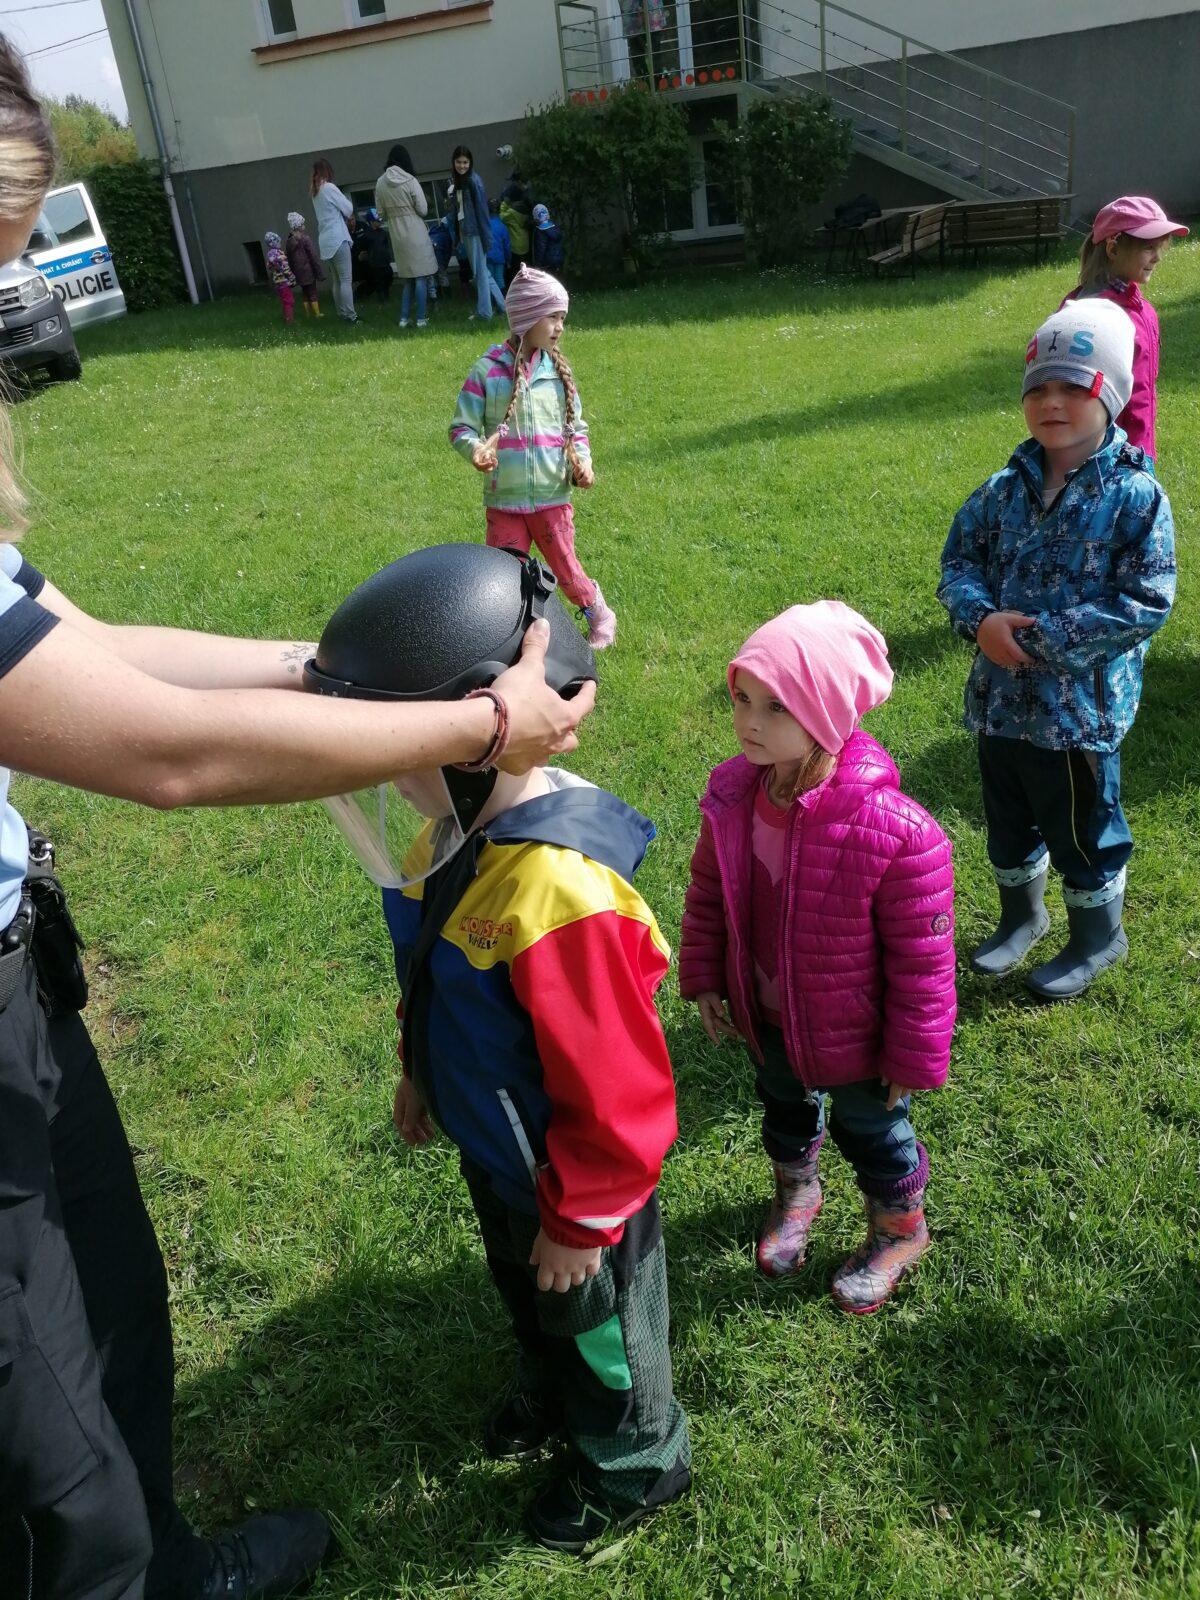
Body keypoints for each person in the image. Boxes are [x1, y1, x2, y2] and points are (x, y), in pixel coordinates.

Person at [0, 36, 596, 1599]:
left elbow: (88, 643)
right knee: (44, 1436)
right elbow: (159, 754)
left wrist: (336, 669)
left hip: (17, 972)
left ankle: (171, 1561)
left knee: (114, 1301)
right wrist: (477, 719)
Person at [310, 543, 691, 1554]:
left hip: (581, 1186)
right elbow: (433, 971)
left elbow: (621, 1097)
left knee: (600, 1323)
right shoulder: (450, 843)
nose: (386, 773)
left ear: (482, 737)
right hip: (506, 1157)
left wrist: (582, 1218)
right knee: (530, 1294)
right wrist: (419, 1069)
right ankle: (553, 1386)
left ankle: (638, 1461)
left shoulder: (559, 894)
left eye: (405, 744)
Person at [679, 602, 956, 1312]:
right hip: (767, 1015)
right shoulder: (735, 798)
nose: (748, 721)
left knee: (873, 1132)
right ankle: (798, 1192)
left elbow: (924, 963)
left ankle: (900, 1227)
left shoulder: (894, 830)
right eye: (742, 698)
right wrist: (707, 975)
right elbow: (710, 891)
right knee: (782, 1107)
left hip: (856, 1035)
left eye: (776, 707)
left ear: (829, 716)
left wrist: (910, 1055)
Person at [937, 299, 1176, 1000]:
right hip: (999, 704)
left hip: (1077, 715)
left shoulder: (1135, 497)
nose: (1052, 401)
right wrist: (981, 621)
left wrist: (1046, 640)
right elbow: (960, 566)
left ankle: (1098, 934)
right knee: (1008, 818)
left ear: (1112, 395)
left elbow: (1147, 599)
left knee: (1083, 828)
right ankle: (1023, 915)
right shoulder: (1000, 491)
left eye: (1075, 386)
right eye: (1038, 387)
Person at [450, 266, 617, 649]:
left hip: (552, 498)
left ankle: (598, 613)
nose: (560, 327)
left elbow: (577, 429)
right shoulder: (487, 371)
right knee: (504, 574)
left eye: (563, 318)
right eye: (553, 317)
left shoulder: (558, 374)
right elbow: (460, 427)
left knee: (565, 568)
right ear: (525, 318)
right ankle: (508, 637)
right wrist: (476, 449)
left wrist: (583, 463)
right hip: (505, 502)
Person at [1058, 196, 1187, 464]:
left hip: (1139, 449)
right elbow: (1074, 395)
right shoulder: (1087, 314)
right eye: (1149, 248)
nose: (1158, 258)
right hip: (1101, 460)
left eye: (1160, 248)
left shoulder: (1141, 308)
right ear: (1113, 249)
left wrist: (1142, 451)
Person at [375, 144, 438, 330]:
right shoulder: (410, 180)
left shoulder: (379, 183)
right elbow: (423, 209)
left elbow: (381, 213)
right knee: (420, 276)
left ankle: (403, 319)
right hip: (415, 231)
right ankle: (420, 318)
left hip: (397, 233)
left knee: (408, 278)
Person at [447, 145, 504, 321]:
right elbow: (459, 212)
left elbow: (482, 211)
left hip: (476, 233)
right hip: (467, 232)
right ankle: (504, 307)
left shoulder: (473, 181)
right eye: (458, 162)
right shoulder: (460, 181)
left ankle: (484, 314)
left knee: (479, 274)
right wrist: (458, 235)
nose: (462, 165)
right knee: (483, 272)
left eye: (465, 162)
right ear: (454, 162)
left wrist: (486, 237)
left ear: (470, 162)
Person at [310, 157, 356, 322]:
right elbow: (348, 208)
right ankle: (351, 316)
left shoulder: (315, 192)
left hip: (325, 240)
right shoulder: (329, 187)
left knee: (336, 280)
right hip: (338, 238)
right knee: (345, 280)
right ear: (327, 171)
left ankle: (341, 313)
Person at [284, 211, 323, 317]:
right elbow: (313, 256)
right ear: (299, 226)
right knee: (312, 292)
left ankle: (307, 314)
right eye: (302, 224)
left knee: (304, 292)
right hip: (308, 271)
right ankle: (317, 313)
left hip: (298, 272)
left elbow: (289, 258)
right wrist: (319, 272)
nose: (304, 226)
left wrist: (292, 272)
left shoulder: (289, 242)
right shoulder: (305, 239)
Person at [262, 230, 297, 325]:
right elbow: (285, 268)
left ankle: (287, 318)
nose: (280, 243)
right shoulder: (277, 255)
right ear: (275, 242)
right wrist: (292, 277)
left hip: (279, 282)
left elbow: (270, 265)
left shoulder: (272, 254)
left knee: (285, 300)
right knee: (289, 301)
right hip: (284, 281)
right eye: (279, 242)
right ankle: (290, 321)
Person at [486, 197, 511, 304]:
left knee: (489, 281)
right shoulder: (502, 226)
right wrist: (508, 259)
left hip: (487, 257)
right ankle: (501, 304)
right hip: (500, 257)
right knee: (500, 280)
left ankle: (491, 304)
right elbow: (507, 245)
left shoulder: (485, 226)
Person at [531, 203, 565, 273]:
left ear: (536, 217)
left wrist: (537, 265)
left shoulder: (541, 231)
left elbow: (540, 249)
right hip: (558, 260)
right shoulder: (555, 227)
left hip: (546, 264)